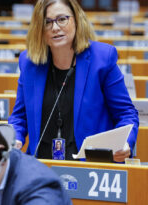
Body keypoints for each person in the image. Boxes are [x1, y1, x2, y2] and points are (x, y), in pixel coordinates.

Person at [8, 0, 139, 162]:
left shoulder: (102, 58)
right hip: (41, 167)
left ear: (76, 20)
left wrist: (125, 142)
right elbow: (19, 116)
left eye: (62, 19)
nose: (55, 28)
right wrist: (15, 138)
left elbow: (126, 113)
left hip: (89, 168)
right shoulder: (29, 63)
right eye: (47, 22)